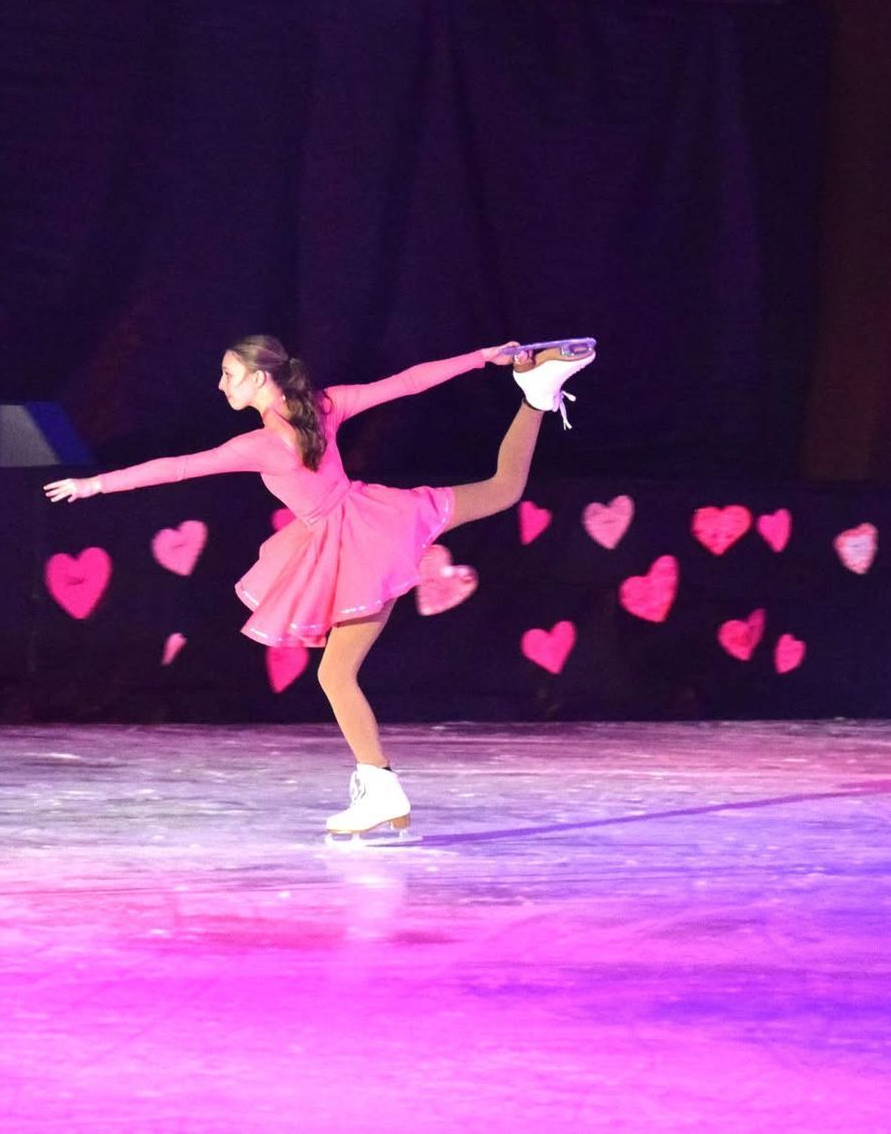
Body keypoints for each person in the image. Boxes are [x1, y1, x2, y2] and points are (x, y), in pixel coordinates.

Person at [45, 334, 596, 837]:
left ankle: (380, 790)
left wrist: (95, 484)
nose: (220, 384)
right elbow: (407, 381)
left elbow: (180, 466)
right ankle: (536, 395)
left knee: (336, 673)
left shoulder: (260, 444)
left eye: (228, 373)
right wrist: (482, 357)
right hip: (373, 520)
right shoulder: (323, 406)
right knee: (501, 491)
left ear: (261, 379)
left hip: (353, 544)